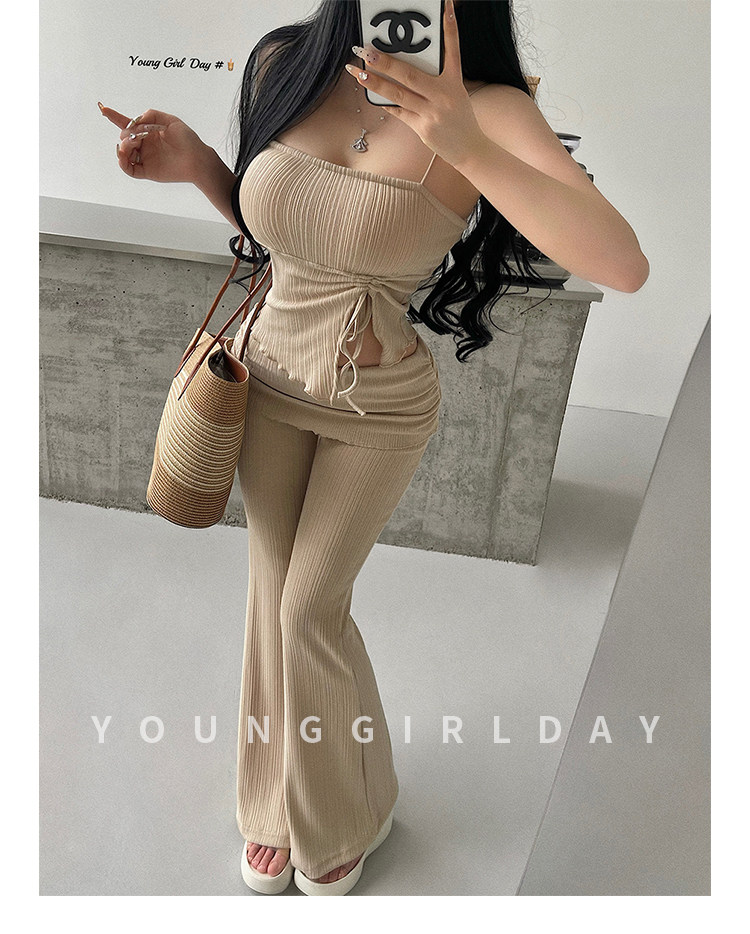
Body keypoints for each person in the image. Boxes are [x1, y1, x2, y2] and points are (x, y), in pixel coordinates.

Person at [100, 0, 648, 896]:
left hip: (379, 405)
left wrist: (465, 144)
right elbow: (286, 233)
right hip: (266, 385)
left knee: (308, 610)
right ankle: (277, 798)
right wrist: (198, 164)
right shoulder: (287, 62)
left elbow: (623, 264)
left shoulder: (490, 106)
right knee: (272, 592)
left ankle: (351, 810)